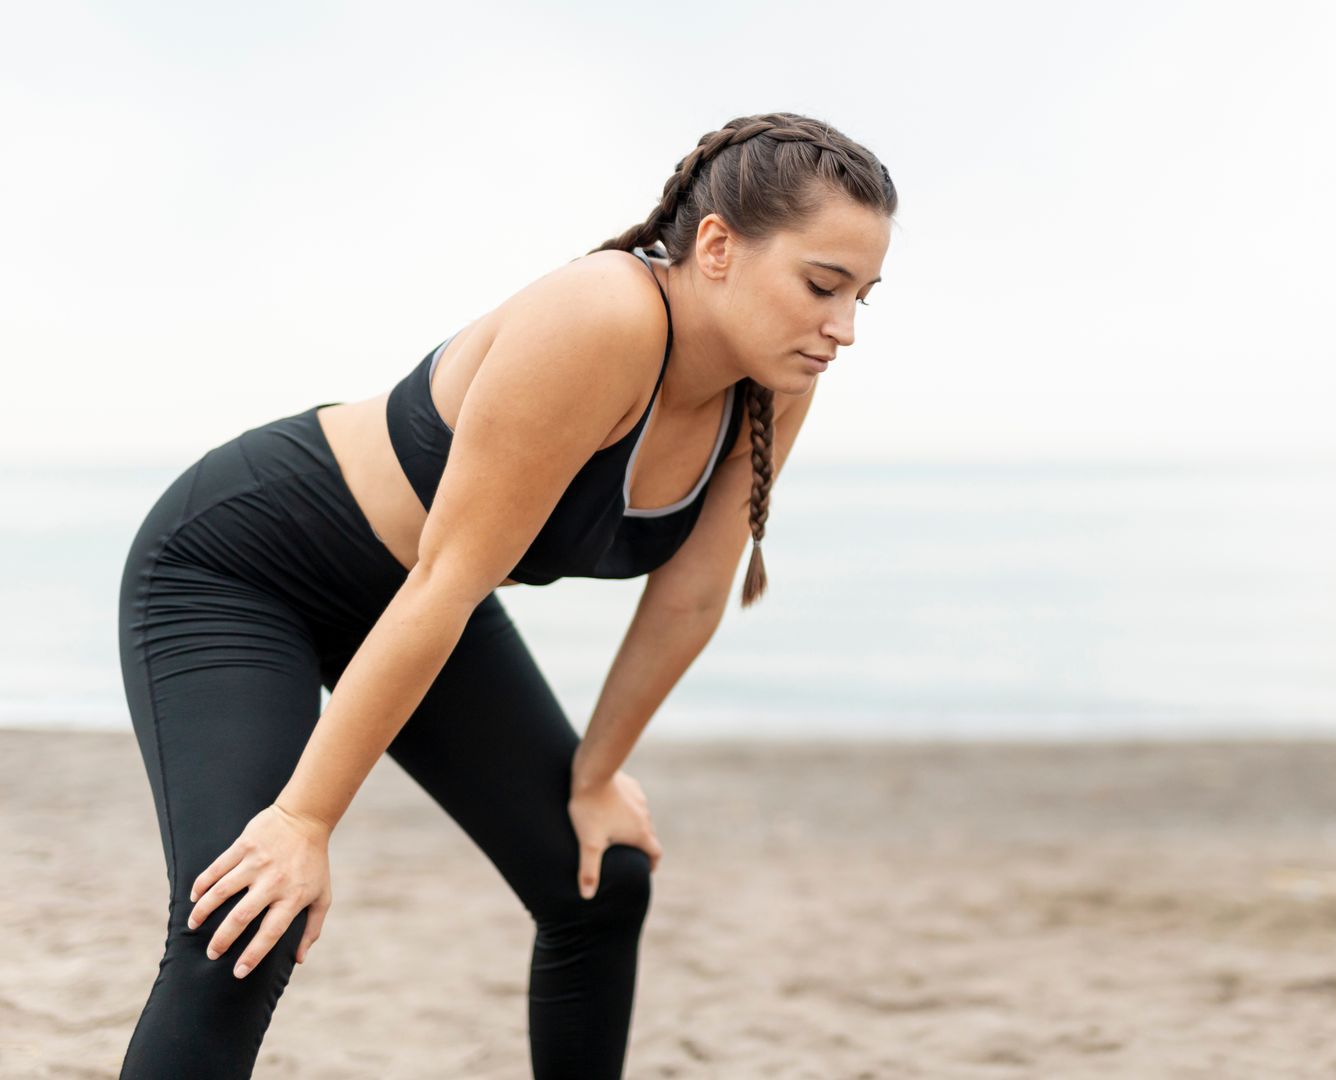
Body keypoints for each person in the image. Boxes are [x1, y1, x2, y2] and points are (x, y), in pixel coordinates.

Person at [114, 111, 896, 1078]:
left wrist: (596, 775)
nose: (844, 328)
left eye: (864, 296)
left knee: (601, 881)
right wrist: (304, 821)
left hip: (420, 599)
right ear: (718, 246)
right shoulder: (604, 317)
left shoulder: (773, 379)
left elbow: (689, 599)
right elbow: (448, 579)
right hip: (244, 568)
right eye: (823, 286)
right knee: (245, 918)